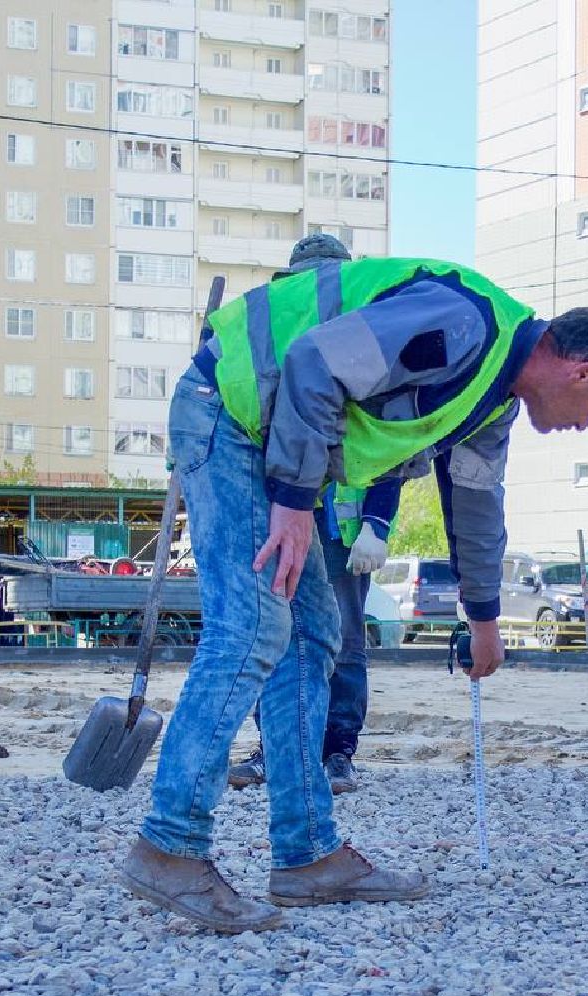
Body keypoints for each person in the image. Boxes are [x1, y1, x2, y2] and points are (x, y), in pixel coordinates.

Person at [121, 253, 588, 932]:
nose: (585, 425)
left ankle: (307, 856)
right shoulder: (463, 326)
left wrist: (483, 617)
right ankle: (169, 847)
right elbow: (314, 361)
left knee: (311, 637)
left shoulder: (489, 405)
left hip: (269, 437)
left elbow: (476, 505)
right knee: (250, 627)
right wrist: (289, 500)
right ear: (583, 373)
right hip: (228, 413)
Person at [226, 235, 405, 796]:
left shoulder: (369, 349)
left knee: (346, 640)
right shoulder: (277, 344)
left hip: (341, 533)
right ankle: (277, 748)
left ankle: (337, 752)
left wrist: (378, 524)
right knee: (278, 638)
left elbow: (391, 445)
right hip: (283, 522)